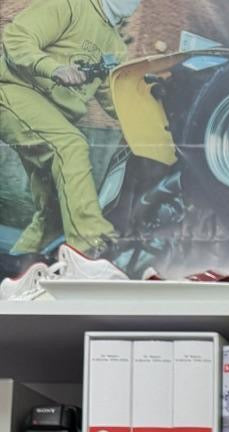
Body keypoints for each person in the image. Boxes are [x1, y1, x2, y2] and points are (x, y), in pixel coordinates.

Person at [0, 0, 135, 257]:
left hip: (52, 118)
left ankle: (21, 267)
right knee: (70, 145)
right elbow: (16, 39)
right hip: (15, 92)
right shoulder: (70, 6)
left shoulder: (115, 47)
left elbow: (113, 99)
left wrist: (152, 110)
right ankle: (90, 247)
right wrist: (55, 68)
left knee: (54, 211)